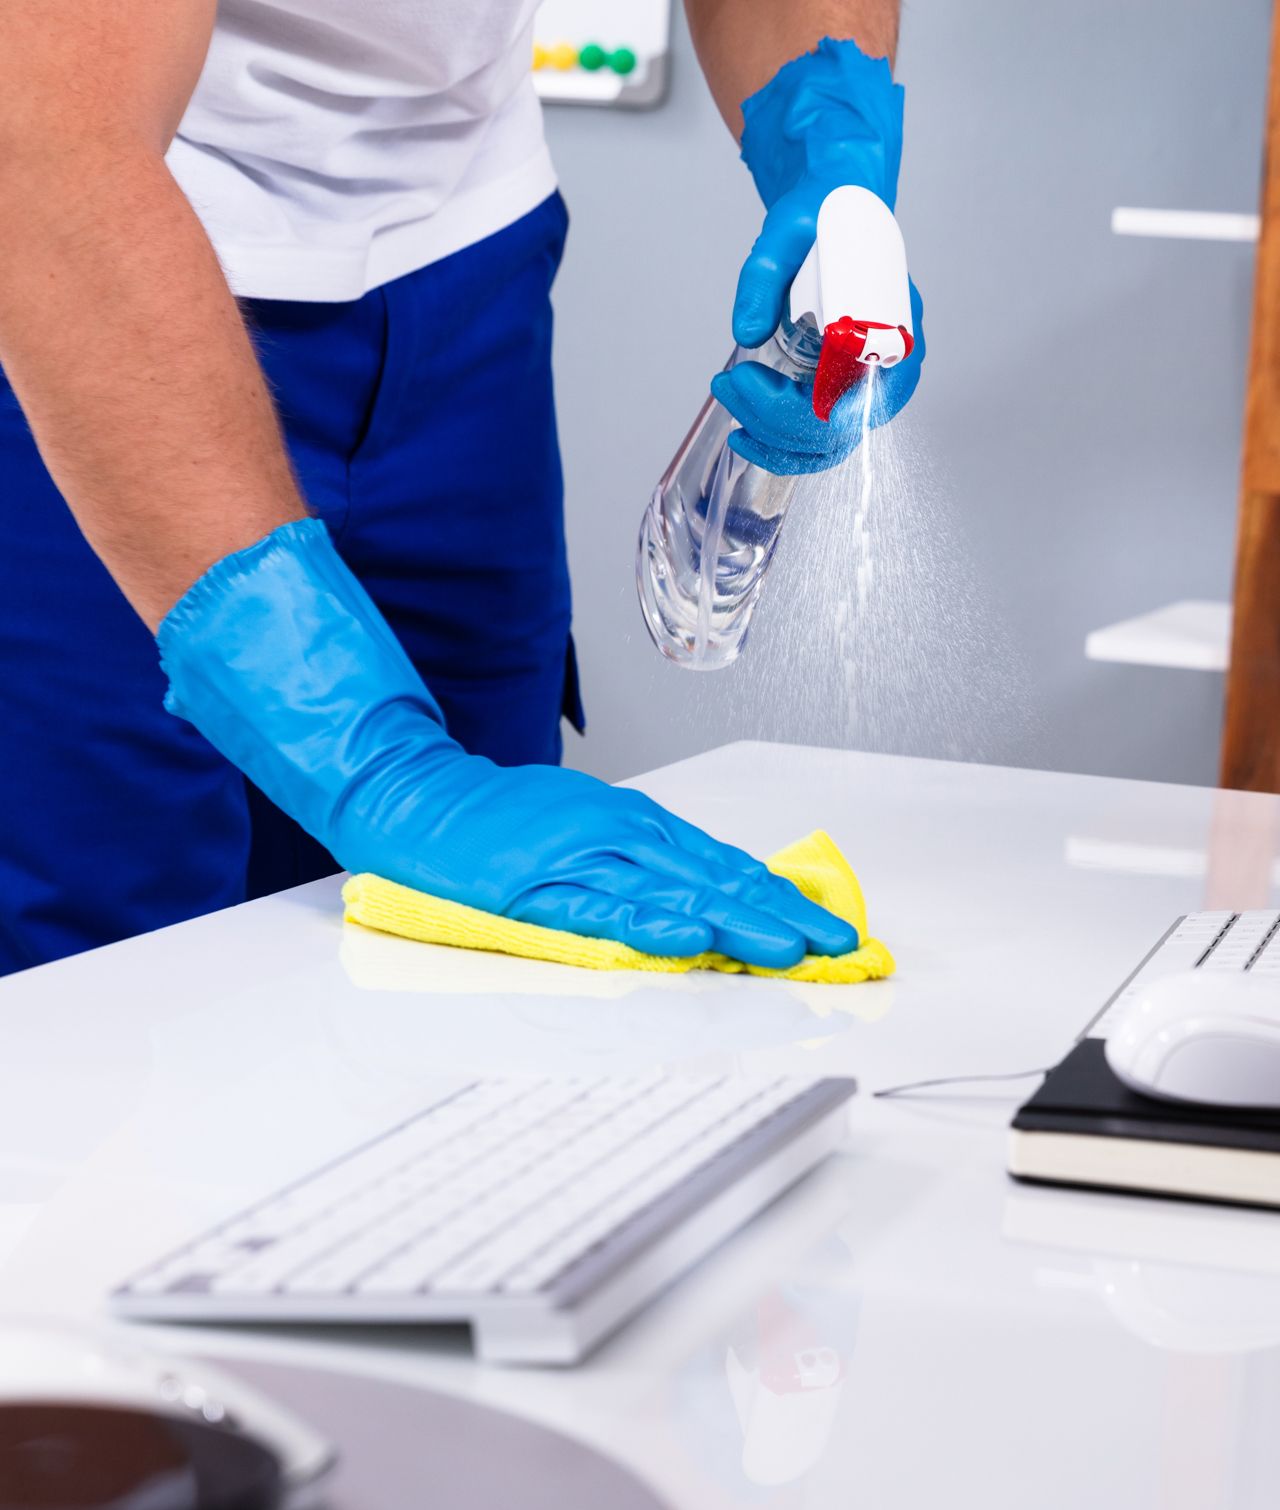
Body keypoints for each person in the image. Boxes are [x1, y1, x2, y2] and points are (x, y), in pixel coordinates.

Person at [0, 1, 923, 977]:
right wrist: (383, 773)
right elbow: (51, 139)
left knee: (487, 945)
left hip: (462, 263)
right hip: (94, 260)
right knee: (114, 951)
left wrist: (830, 137)